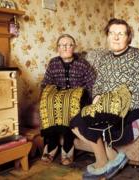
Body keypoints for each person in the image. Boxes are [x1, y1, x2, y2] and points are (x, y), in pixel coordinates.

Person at [70, 18, 139, 179]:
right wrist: (97, 97)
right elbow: (99, 84)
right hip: (106, 104)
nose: (115, 37)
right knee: (74, 123)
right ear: (107, 36)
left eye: (120, 34)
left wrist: (121, 106)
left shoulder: (138, 57)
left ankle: (102, 163)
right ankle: (113, 158)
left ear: (128, 37)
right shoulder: (105, 58)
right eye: (112, 33)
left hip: (130, 105)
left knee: (90, 122)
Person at [39, 34, 96, 166]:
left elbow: (92, 83)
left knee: (69, 103)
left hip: (77, 95)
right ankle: (52, 145)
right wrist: (44, 96)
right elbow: (46, 82)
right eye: (62, 45)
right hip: (58, 93)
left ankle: (67, 147)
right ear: (57, 48)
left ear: (74, 47)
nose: (66, 47)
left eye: (69, 44)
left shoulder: (82, 63)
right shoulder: (53, 63)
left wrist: (93, 100)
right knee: (48, 101)